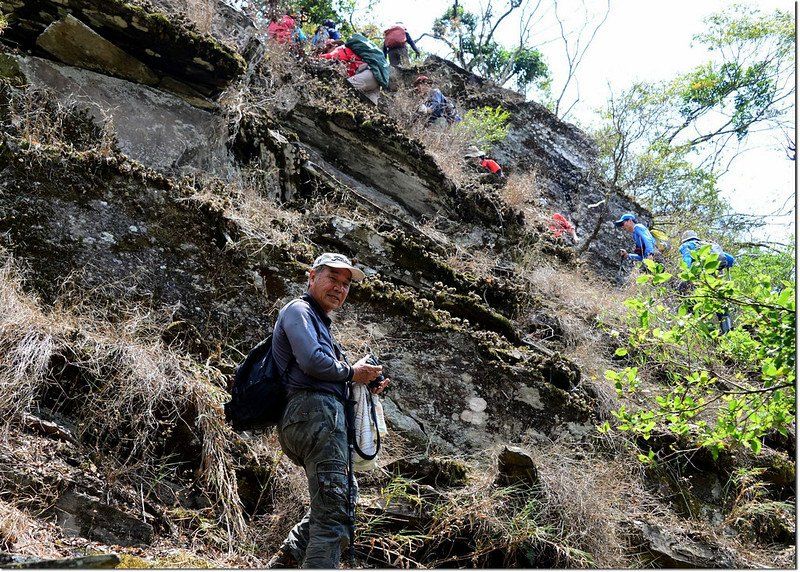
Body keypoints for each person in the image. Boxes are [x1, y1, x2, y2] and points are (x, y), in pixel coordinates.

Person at [267, 253, 390, 569]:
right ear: (312, 277)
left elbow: (326, 371)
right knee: (334, 516)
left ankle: (283, 562)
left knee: (342, 498)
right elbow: (310, 361)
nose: (339, 288)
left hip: (313, 418)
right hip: (315, 416)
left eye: (346, 284)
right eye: (332, 279)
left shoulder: (320, 323)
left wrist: (365, 383)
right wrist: (352, 373)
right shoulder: (299, 311)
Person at [678, 230, 736, 333]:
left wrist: (687, 276)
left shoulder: (687, 245)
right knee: (720, 303)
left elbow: (686, 259)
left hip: (701, 277)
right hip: (716, 277)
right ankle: (727, 332)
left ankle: (704, 329)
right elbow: (730, 259)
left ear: (684, 240)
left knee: (689, 298)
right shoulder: (708, 245)